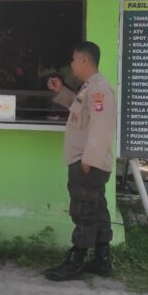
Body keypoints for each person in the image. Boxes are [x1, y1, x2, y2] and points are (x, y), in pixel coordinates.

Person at [44, 41, 116, 281]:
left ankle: (76, 261)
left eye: (74, 59)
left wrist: (90, 159)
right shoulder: (89, 88)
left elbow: (101, 126)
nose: (71, 64)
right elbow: (80, 111)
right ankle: (102, 260)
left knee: (83, 211)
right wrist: (61, 90)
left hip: (86, 162)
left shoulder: (98, 89)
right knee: (97, 209)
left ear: (84, 60)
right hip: (86, 160)